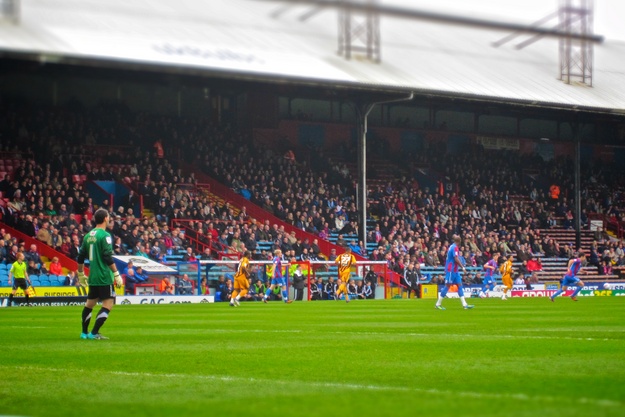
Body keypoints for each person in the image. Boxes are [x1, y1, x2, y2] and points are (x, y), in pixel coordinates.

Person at [77, 208, 124, 340]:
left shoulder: (88, 236)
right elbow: (107, 257)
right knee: (108, 304)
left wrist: (80, 273)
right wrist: (116, 273)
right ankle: (94, 333)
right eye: (108, 217)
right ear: (105, 219)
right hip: (104, 276)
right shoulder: (105, 236)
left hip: (93, 276)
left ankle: (84, 333)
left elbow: (80, 257)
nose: (109, 219)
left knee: (89, 304)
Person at [435, 235, 474, 310]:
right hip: (451, 270)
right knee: (447, 286)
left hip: (455, 270)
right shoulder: (455, 247)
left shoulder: (451, 246)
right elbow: (455, 258)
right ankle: (438, 304)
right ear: (459, 241)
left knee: (460, 285)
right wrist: (462, 267)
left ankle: (464, 304)